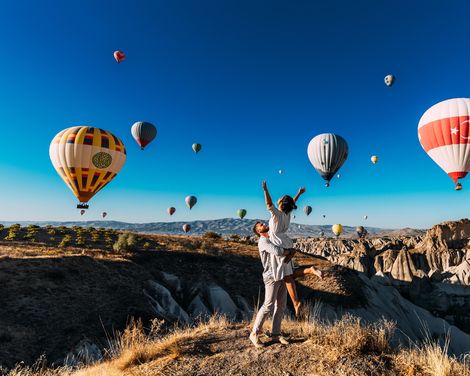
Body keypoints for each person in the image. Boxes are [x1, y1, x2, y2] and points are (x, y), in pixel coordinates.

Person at [250, 222, 321, 348]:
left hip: (282, 274)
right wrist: (290, 251)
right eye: (260, 225)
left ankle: (275, 334)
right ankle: (254, 334)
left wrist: (290, 251)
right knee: (268, 305)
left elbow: (285, 247)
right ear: (258, 231)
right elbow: (277, 252)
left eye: (263, 223)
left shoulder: (274, 238)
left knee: (281, 305)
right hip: (271, 276)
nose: (264, 224)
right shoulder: (263, 241)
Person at [262, 181, 322, 316]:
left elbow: (268, 203)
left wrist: (265, 190)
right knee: (288, 275)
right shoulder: (287, 214)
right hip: (286, 242)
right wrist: (299, 194)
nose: (279, 198)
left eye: (281, 198)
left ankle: (295, 302)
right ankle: (309, 271)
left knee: (286, 276)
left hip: (278, 244)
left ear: (282, 203)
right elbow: (292, 202)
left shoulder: (277, 214)